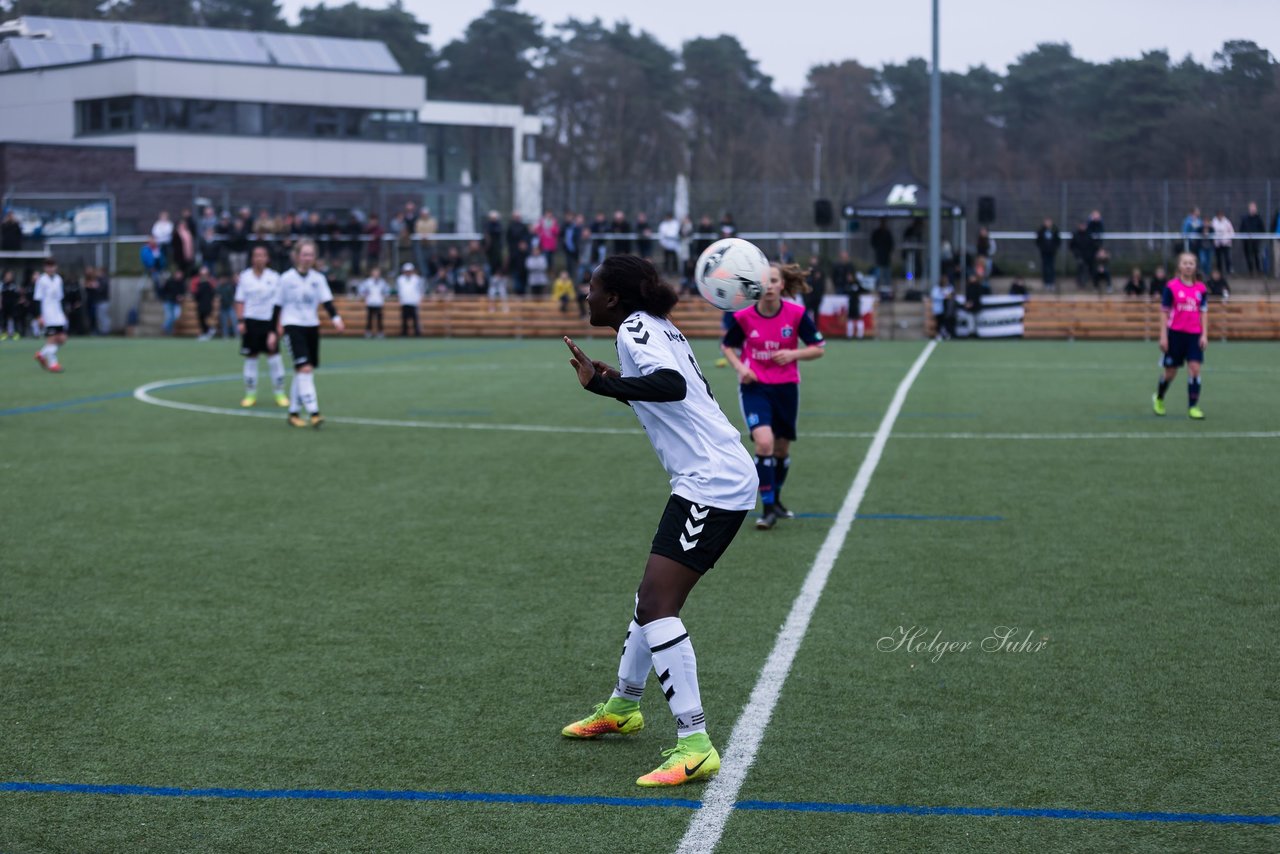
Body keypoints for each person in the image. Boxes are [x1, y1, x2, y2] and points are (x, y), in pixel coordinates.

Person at [559, 255, 757, 788]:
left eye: (594, 288)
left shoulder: (635, 327)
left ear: (616, 299)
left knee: (658, 605)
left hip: (711, 482)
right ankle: (623, 706)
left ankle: (695, 743)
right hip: (711, 476)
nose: (587, 295)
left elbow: (668, 386)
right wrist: (610, 379)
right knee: (649, 599)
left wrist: (604, 386)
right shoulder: (655, 326)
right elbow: (675, 396)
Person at [720, 262, 826, 530]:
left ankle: (776, 499)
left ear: (782, 285)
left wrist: (793, 354)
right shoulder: (744, 317)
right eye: (764, 282)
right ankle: (766, 509)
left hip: (786, 387)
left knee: (781, 450)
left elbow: (819, 347)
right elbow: (728, 346)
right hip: (755, 388)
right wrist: (741, 368)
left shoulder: (797, 314)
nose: (769, 287)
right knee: (764, 444)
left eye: (774, 281)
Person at [274, 239, 344, 428]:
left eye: (311, 255)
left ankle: (293, 413)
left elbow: (327, 302)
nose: (307, 258)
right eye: (304, 254)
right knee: (304, 368)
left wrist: (336, 319)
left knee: (303, 370)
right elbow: (277, 305)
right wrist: (275, 329)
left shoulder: (318, 279)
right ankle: (315, 413)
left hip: (311, 327)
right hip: (292, 326)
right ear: (297, 256)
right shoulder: (286, 278)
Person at [1153, 252, 1208, 420]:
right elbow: (1164, 312)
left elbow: (1203, 312)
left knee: (1195, 369)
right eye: (1185, 263)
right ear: (1179, 266)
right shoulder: (1171, 287)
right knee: (1170, 372)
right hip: (1175, 335)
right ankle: (1159, 398)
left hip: (1194, 335)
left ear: (1195, 266)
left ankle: (1193, 407)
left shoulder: (1201, 289)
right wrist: (1163, 336)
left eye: (1191, 263)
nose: (1189, 266)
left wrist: (1204, 334)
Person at [236, 245, 289, 408]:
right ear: (252, 258)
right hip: (251, 321)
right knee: (251, 358)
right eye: (256, 255)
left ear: (267, 258)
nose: (259, 258)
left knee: (274, 358)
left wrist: (279, 324)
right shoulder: (244, 277)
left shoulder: (275, 277)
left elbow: (281, 302)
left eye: (262, 255)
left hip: (269, 321)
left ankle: (279, 393)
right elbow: (239, 300)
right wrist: (240, 321)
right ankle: (250, 394)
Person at [33, 258, 68, 372]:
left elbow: (61, 298)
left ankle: (42, 354)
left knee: (62, 339)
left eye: (52, 266)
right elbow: (37, 299)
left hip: (58, 313)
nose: (51, 268)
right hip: (47, 314)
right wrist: (39, 316)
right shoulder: (41, 280)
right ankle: (53, 363)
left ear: (56, 267)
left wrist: (64, 313)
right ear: (45, 268)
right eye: (48, 266)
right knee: (52, 339)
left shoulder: (58, 279)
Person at [358, 266, 389, 337]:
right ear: (372, 273)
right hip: (370, 303)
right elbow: (361, 290)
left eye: (377, 273)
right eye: (374, 273)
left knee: (379, 319)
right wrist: (364, 295)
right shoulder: (367, 282)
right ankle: (368, 332)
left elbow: (387, 291)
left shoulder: (382, 282)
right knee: (369, 319)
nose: (376, 274)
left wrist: (384, 296)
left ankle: (380, 332)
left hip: (379, 303)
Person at [395, 262, 423, 337]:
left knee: (415, 319)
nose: (408, 272)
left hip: (414, 301)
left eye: (409, 271)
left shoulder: (417, 279)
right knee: (404, 319)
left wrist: (418, 300)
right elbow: (399, 291)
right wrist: (400, 300)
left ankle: (417, 333)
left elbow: (420, 290)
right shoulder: (400, 279)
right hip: (404, 301)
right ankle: (404, 333)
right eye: (406, 271)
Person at [1034, 218, 1061, 289]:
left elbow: (1058, 241)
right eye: (1047, 222)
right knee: (1045, 267)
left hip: (1052, 252)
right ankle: (1046, 283)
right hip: (1044, 252)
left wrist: (1054, 248)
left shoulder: (1055, 230)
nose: (1048, 223)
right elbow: (1038, 241)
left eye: (1049, 222)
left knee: (1051, 267)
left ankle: (1051, 283)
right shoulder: (1041, 230)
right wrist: (1042, 248)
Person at [1239, 202, 1265, 276]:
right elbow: (1241, 229)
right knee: (1248, 256)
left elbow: (1262, 229)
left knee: (1256, 256)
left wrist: (1257, 236)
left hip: (1256, 241)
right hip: (1247, 241)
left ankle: (1259, 271)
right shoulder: (1245, 219)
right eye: (1251, 208)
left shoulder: (1259, 219)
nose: (1253, 209)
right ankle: (1251, 271)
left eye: (1254, 208)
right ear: (1249, 209)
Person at [870, 218, 894, 294]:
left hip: (886, 258)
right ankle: (876, 291)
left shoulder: (888, 233)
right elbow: (873, 243)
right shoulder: (876, 233)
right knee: (878, 276)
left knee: (887, 277)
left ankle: (888, 292)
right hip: (879, 258)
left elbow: (891, 245)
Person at [193, 265, 217, 341]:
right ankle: (207, 332)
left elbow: (197, 296)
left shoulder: (201, 285)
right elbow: (212, 294)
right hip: (208, 305)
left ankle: (208, 331)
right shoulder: (209, 285)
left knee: (202, 319)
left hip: (202, 305)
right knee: (203, 319)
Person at [161, 267, 185, 335]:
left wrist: (181, 297)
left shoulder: (182, 283)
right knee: (170, 316)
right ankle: (167, 329)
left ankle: (167, 328)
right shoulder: (170, 282)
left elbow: (183, 293)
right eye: (178, 274)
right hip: (169, 301)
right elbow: (164, 291)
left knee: (175, 317)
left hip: (176, 303)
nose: (179, 276)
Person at [1211, 210, 1234, 275]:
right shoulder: (1214, 222)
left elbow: (1231, 232)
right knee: (1218, 259)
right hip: (1217, 244)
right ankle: (1219, 272)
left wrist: (1228, 239)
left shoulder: (1227, 222)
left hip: (1226, 243)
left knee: (1227, 258)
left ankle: (1229, 271)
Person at [1, 269, 22, 340]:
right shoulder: (2, 284)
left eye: (10, 275)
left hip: (13, 305)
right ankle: (4, 333)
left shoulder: (14, 285)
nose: (9, 277)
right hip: (4, 305)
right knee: (4, 320)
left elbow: (19, 294)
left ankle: (15, 333)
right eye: (7, 275)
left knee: (15, 319)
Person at [216, 274, 237, 339]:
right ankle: (225, 336)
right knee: (224, 323)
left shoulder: (229, 287)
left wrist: (233, 305)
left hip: (230, 307)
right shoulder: (219, 287)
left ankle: (237, 335)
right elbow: (216, 293)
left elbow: (232, 297)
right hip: (223, 307)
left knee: (234, 322)